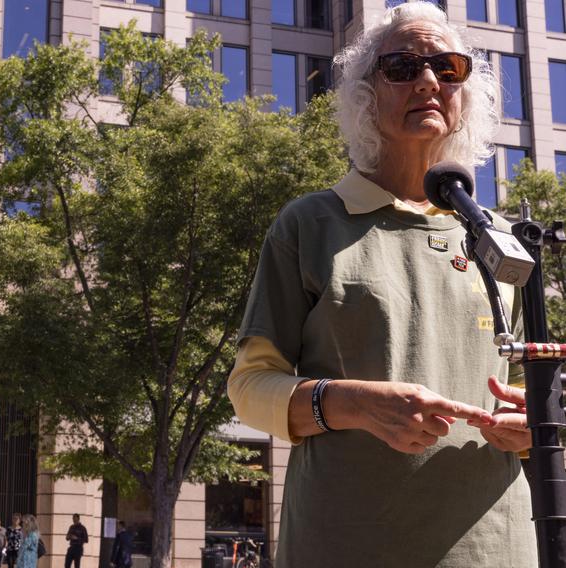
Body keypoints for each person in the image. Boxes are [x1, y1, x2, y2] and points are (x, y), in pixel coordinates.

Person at [227, 3, 536, 567]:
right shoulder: (310, 223)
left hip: (494, 546)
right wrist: (349, 403)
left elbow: (529, 386)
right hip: (344, 541)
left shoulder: (503, 239)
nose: (428, 81)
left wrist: (533, 421)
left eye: (448, 69)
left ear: (466, 95)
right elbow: (249, 387)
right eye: (402, 66)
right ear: (365, 95)